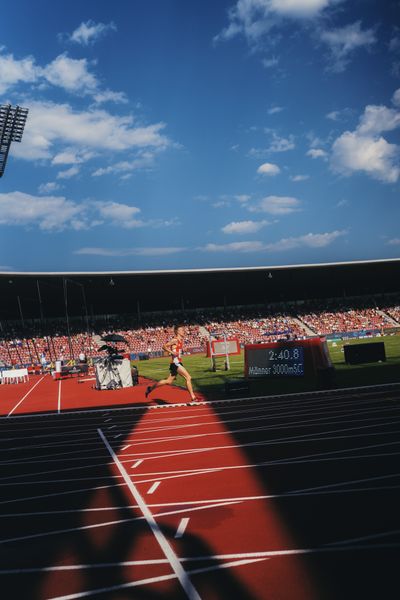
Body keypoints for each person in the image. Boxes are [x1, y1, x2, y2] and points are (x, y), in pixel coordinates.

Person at [145, 324, 197, 401]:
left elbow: (176, 350)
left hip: (177, 363)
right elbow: (164, 346)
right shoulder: (175, 340)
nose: (184, 331)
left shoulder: (180, 340)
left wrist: (181, 350)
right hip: (176, 363)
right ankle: (193, 397)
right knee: (188, 377)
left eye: (183, 330)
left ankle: (150, 388)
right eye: (182, 330)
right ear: (177, 332)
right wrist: (172, 352)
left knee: (168, 381)